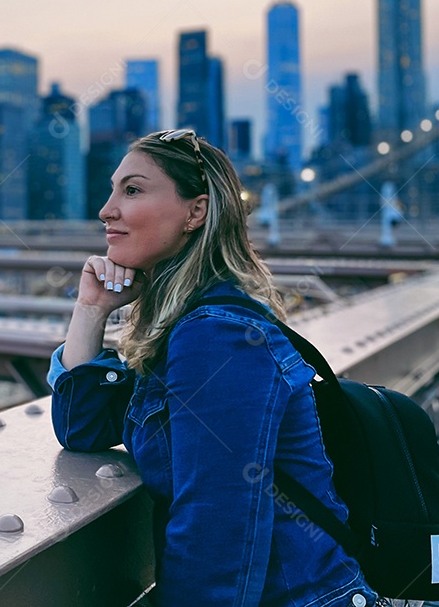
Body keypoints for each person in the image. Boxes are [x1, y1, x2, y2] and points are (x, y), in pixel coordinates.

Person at [49, 130, 380, 607]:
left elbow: (216, 532)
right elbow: (81, 428)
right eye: (113, 189)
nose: (107, 209)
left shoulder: (216, 337)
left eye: (133, 190)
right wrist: (91, 309)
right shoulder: (185, 327)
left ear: (196, 212)